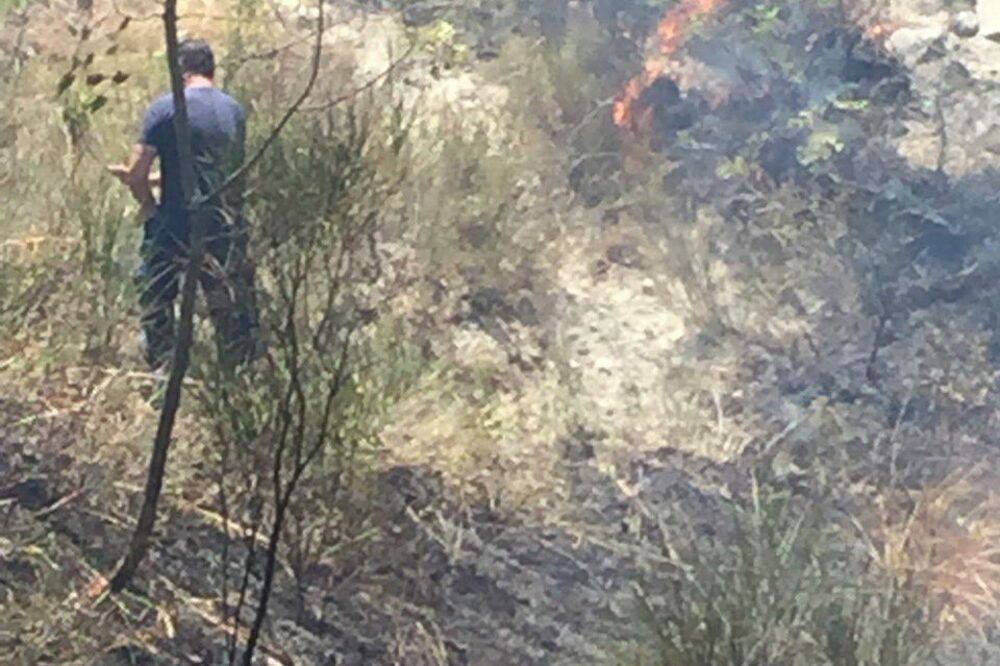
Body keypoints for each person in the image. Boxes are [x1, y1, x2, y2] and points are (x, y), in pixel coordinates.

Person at [108, 38, 260, 373]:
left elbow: (136, 173)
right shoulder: (234, 110)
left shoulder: (165, 108)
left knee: (155, 291)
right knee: (230, 303)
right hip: (224, 222)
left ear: (179, 70)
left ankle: (164, 368)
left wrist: (147, 203)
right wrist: (154, 181)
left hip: (175, 223)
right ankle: (238, 374)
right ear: (211, 70)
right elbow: (214, 172)